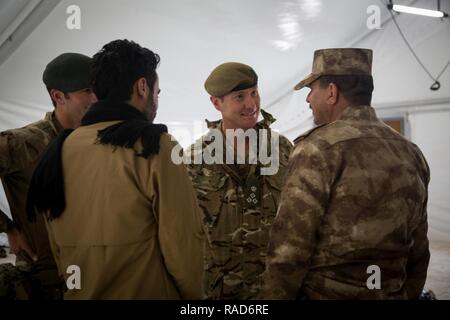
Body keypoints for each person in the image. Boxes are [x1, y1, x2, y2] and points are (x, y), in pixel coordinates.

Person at [27, 39, 205, 300]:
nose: (156, 99)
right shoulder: (156, 146)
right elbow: (183, 244)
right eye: (157, 92)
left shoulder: (57, 151)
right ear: (142, 87)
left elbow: (57, 249)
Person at [263, 48, 430, 299]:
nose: (308, 99)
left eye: (312, 90)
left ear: (331, 92)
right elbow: (419, 251)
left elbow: (290, 250)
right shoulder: (411, 153)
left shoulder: (316, 149)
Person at [186, 62, 293, 299]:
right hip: (218, 293)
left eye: (254, 93)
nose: (251, 104)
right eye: (239, 97)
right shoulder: (193, 160)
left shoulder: (283, 150)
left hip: (275, 290)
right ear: (217, 103)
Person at [0, 52, 96, 299]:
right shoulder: (25, 142)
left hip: (94, 272)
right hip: (47, 279)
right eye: (87, 90)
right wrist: (8, 228)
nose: (96, 97)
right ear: (58, 97)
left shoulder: (96, 138)